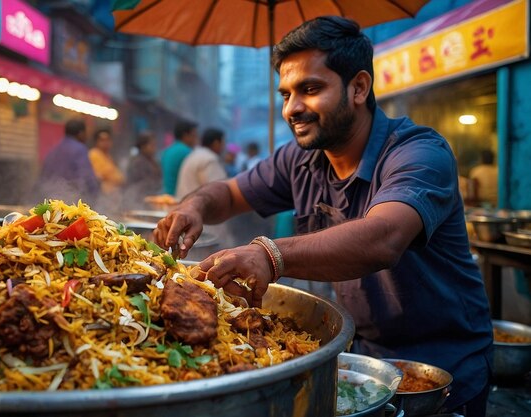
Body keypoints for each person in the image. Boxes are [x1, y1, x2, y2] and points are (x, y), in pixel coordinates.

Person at [154, 16, 492, 416]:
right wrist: (193, 206)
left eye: (310, 89)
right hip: (364, 361)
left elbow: (384, 237)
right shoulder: (300, 159)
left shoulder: (419, 152)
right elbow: (226, 192)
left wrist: (268, 254)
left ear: (359, 88)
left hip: (444, 374)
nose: (292, 109)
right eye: (285, 94)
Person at [35, 118, 99, 203]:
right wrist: (95, 197)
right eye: (85, 133)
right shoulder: (80, 149)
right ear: (81, 133)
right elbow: (88, 178)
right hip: (69, 200)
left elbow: (43, 176)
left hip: (49, 199)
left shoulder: (55, 149)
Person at [175, 127, 227, 199]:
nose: (224, 146)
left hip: (184, 204)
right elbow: (218, 191)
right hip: (195, 206)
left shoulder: (194, 154)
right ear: (216, 143)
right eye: (223, 142)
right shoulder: (210, 159)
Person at [161, 120, 198, 196]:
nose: (196, 139)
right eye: (194, 136)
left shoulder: (167, 151)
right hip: (179, 198)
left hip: (165, 196)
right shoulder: (188, 152)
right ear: (185, 135)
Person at [125, 130, 162, 203]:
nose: (154, 148)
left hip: (149, 199)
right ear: (142, 146)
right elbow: (137, 185)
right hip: (137, 200)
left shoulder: (152, 161)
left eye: (155, 145)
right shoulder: (138, 162)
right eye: (151, 145)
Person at [88, 129, 126, 194]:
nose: (106, 142)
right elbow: (97, 177)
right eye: (102, 140)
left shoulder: (108, 156)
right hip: (102, 195)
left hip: (114, 194)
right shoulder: (94, 154)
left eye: (108, 140)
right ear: (96, 141)